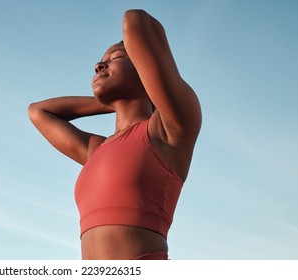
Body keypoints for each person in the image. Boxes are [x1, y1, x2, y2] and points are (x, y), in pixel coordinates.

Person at [28, 9, 201, 260]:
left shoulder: (169, 129)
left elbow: (136, 21)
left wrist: (142, 91)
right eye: (100, 62)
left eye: (116, 57)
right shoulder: (96, 149)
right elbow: (38, 111)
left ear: (145, 70)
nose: (99, 65)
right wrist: (114, 100)